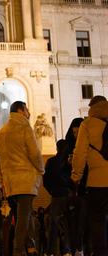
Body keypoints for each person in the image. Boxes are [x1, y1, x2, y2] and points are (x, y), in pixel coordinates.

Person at [0, 101, 44, 256]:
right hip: (26, 181)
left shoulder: (0, 133)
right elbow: (34, 153)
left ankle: (31, 246)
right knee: (23, 218)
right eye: (27, 109)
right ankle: (18, 250)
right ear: (21, 110)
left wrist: (1, 180)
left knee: (25, 216)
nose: (29, 112)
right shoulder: (25, 127)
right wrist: (41, 169)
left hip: (10, 184)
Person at [71, 95, 108, 256]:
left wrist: (76, 176)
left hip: (97, 182)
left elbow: (80, 153)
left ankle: (101, 253)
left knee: (97, 220)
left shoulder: (87, 124)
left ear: (91, 107)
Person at [43, 139, 73, 256]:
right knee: (67, 223)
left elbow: (46, 181)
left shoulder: (50, 162)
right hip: (67, 195)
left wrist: (52, 191)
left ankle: (52, 251)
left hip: (55, 196)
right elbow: (73, 179)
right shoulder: (68, 163)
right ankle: (68, 249)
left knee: (54, 225)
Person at [65, 117, 89, 255]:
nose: (76, 136)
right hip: (73, 191)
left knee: (85, 221)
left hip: (86, 188)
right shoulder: (68, 147)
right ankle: (77, 248)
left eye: (78, 132)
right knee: (76, 222)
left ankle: (86, 247)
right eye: (74, 133)